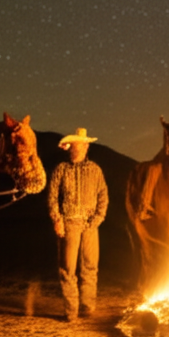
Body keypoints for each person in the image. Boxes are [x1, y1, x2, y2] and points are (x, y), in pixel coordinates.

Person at [47, 128, 108, 321]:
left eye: (78, 145)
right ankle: (71, 311)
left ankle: (87, 307)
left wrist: (97, 219)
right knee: (68, 268)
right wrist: (57, 219)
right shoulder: (61, 170)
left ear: (86, 146)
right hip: (69, 223)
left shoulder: (95, 170)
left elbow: (103, 196)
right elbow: (52, 197)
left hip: (90, 224)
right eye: (72, 145)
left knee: (90, 266)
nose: (75, 149)